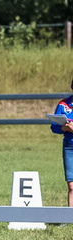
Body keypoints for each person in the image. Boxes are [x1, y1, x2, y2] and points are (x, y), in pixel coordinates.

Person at [50, 78, 73, 207]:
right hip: (69, 147)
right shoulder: (63, 104)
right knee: (71, 185)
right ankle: (70, 217)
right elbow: (54, 127)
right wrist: (64, 128)